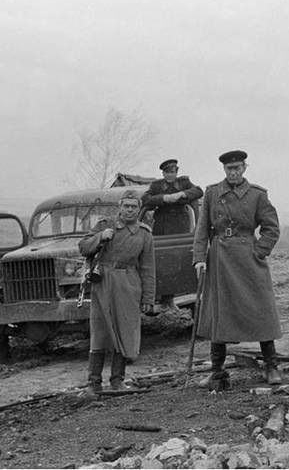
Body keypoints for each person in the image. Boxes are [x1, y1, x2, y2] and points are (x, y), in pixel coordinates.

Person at [192, 150, 282, 389]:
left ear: (244, 168)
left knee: (261, 309)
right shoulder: (212, 193)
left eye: (237, 168)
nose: (233, 173)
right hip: (220, 259)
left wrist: (259, 251)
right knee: (219, 313)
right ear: (224, 169)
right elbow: (202, 229)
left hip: (248, 259)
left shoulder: (257, 195)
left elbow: (272, 228)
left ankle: (271, 365)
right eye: (229, 169)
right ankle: (217, 371)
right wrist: (199, 258)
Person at [79, 189, 156, 394]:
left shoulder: (144, 234)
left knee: (125, 330)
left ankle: (117, 380)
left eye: (134, 207)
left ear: (139, 209)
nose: (130, 210)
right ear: (119, 207)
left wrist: (148, 298)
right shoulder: (105, 225)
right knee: (100, 331)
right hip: (103, 282)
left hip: (129, 284)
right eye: (126, 206)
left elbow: (148, 268)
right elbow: (83, 247)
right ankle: (93, 383)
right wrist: (100, 237)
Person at [141, 159, 203, 235]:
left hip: (181, 225)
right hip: (161, 225)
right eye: (167, 172)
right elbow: (145, 198)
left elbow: (199, 191)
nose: (170, 175)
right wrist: (163, 198)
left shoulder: (184, 183)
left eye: (172, 172)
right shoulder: (156, 186)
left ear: (176, 172)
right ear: (163, 173)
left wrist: (182, 194)